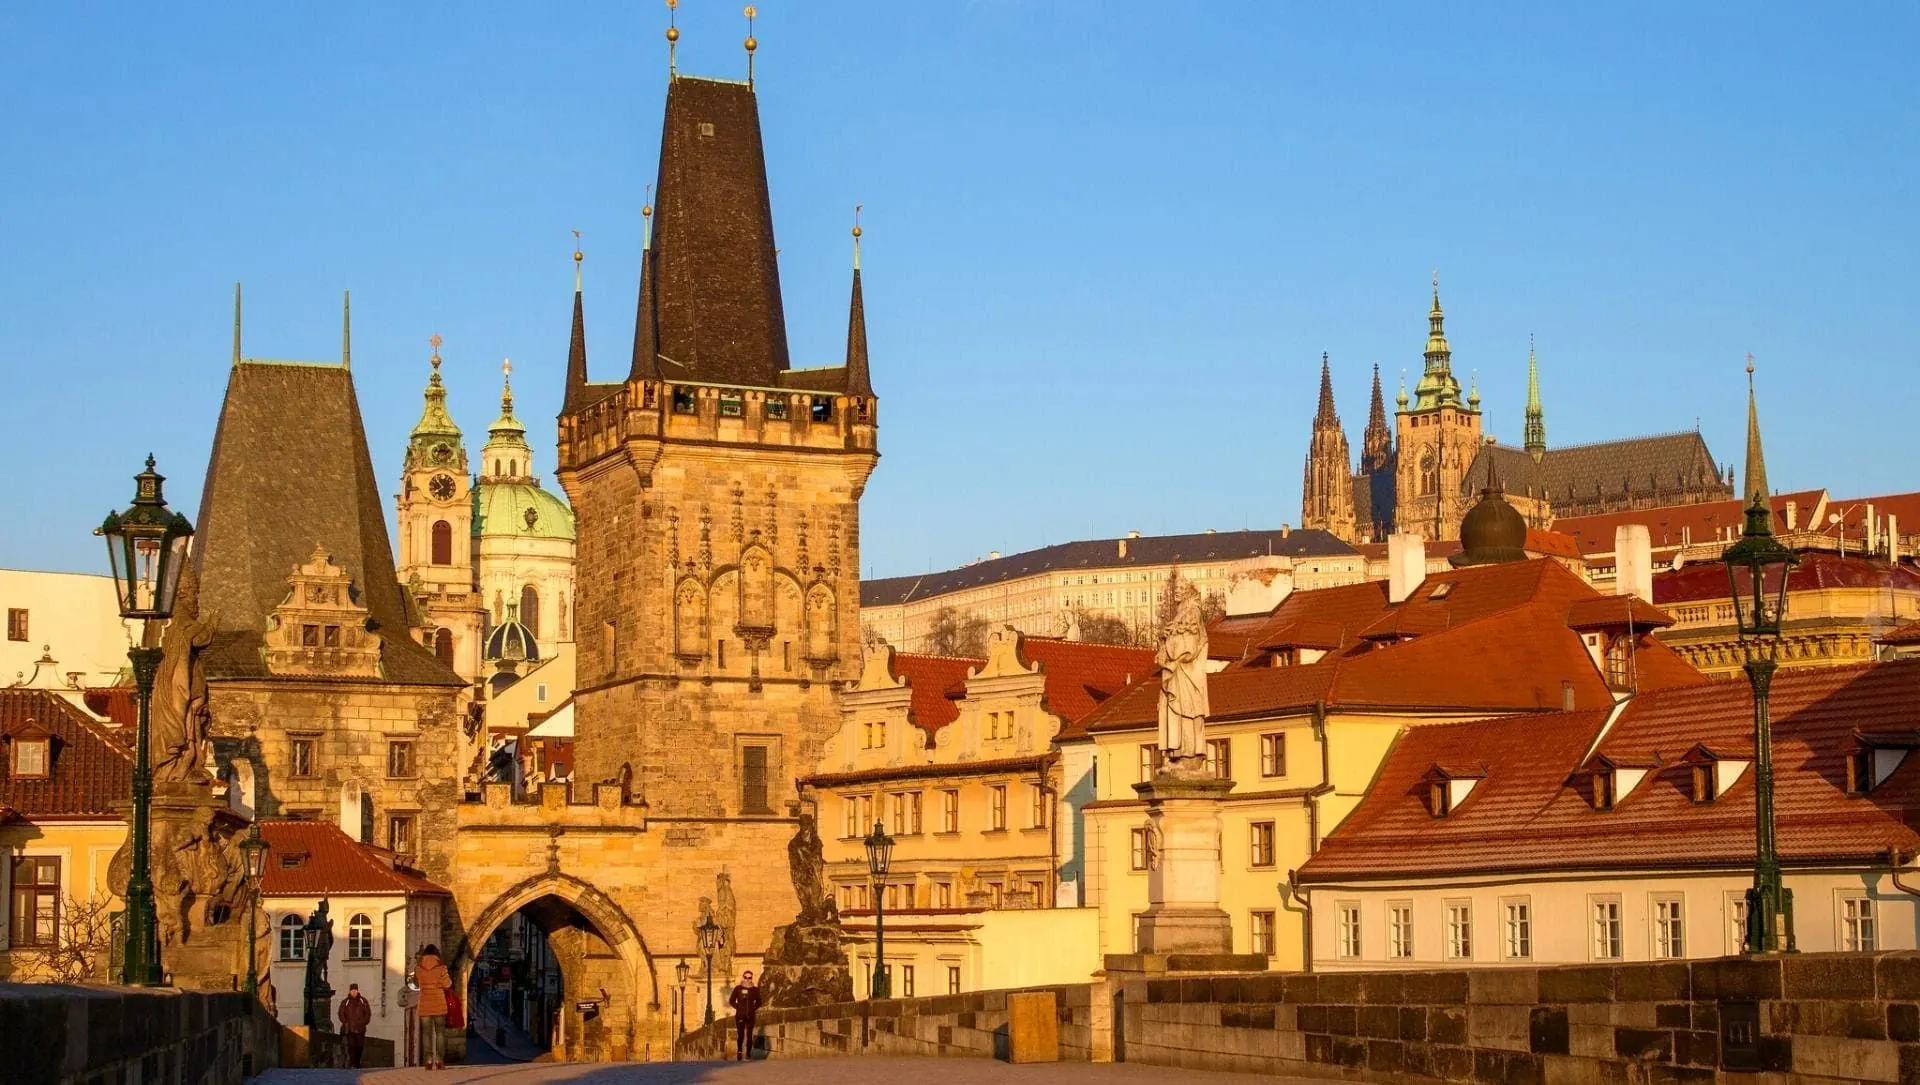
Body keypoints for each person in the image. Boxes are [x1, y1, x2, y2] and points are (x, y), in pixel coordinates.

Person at [415, 944, 454, 1070]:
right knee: (440, 1034)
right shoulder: (441, 968)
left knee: (426, 1034)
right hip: (439, 1004)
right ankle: (439, 1060)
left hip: (424, 1004)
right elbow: (448, 984)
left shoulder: (419, 968)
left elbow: (416, 983)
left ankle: (428, 1060)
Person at [727, 970, 762, 1061]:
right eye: (746, 977)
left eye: (749, 978)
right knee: (741, 1035)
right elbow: (731, 1001)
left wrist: (753, 1008)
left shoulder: (755, 990)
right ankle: (739, 1051)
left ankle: (748, 1053)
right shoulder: (738, 988)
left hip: (750, 1016)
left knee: (749, 1035)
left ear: (751, 978)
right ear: (743, 978)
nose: (747, 979)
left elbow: (759, 1002)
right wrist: (738, 1007)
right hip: (740, 1015)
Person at [338, 983, 372, 1068]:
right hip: (350, 1028)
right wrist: (345, 1022)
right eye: (352, 990)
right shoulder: (345, 1002)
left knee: (360, 1046)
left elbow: (368, 1013)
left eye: (355, 990)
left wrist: (363, 1022)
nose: (354, 992)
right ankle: (353, 1063)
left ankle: (357, 1062)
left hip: (360, 1028)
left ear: (357, 991)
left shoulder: (363, 1001)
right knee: (351, 1046)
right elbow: (341, 1013)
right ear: (350, 991)